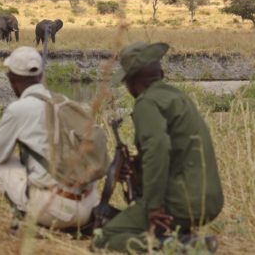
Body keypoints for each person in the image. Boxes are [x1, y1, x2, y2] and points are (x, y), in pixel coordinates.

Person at [91, 41, 224, 253]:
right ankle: (180, 234)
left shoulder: (147, 102)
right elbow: (173, 152)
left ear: (132, 82)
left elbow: (158, 149)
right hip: (211, 201)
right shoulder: (178, 97)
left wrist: (153, 206)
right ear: (161, 73)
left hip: (182, 202)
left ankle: (181, 247)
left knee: (103, 238)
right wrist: (135, 165)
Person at [0, 46, 99, 232]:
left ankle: (25, 217)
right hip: (88, 210)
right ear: (41, 75)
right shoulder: (65, 103)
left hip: (54, 211)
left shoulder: (19, 109)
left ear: (12, 79)